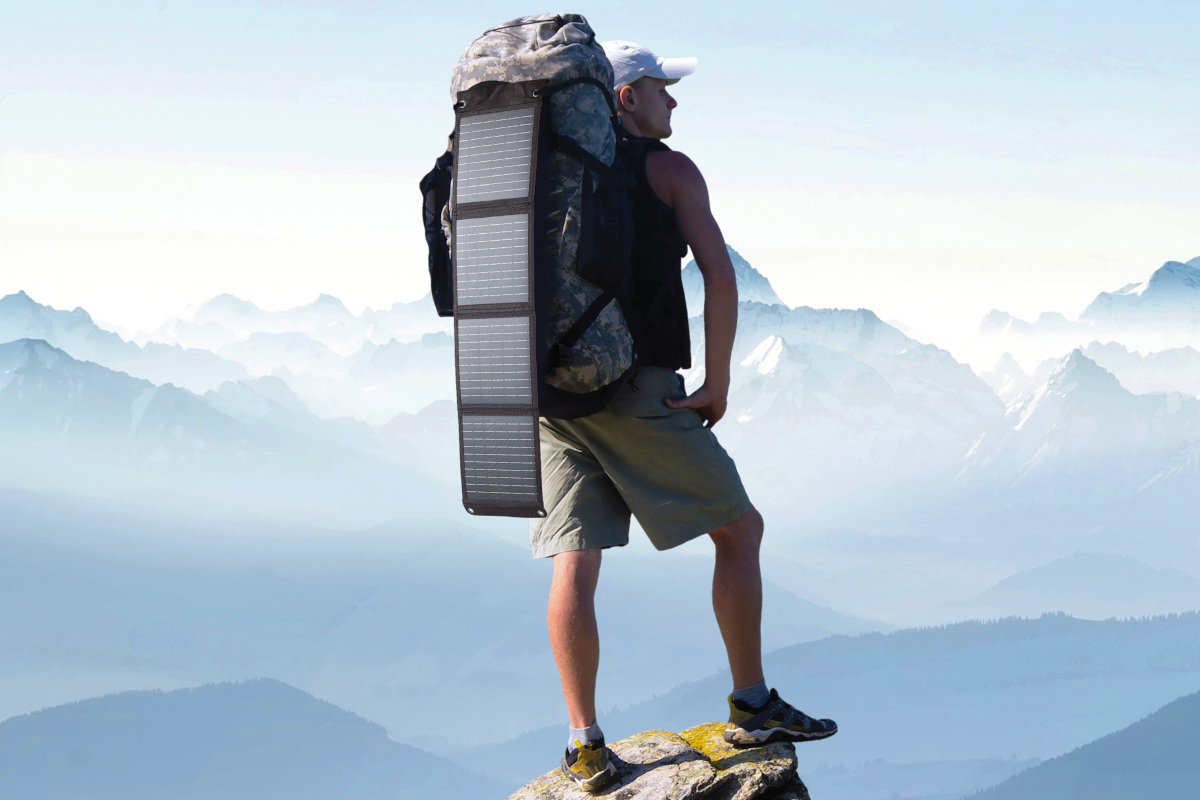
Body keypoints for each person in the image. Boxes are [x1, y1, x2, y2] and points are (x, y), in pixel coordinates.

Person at [533, 40, 838, 793]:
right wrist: (717, 379)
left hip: (550, 389)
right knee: (741, 528)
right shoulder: (668, 169)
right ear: (625, 98)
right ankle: (754, 703)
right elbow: (721, 277)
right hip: (636, 387)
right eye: (662, 87)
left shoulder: (547, 173)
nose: (675, 100)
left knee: (577, 556)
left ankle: (584, 744)